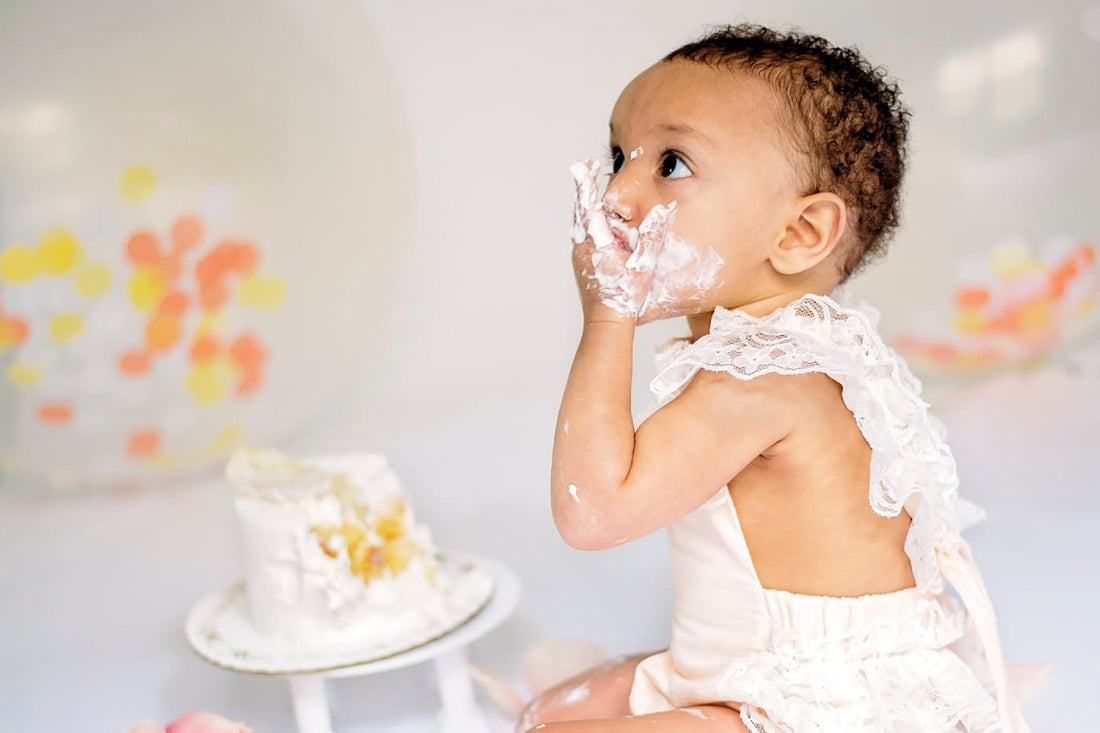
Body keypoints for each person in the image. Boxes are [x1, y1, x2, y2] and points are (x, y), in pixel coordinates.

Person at [527, 23, 1034, 732]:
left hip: (825, 703)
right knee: (552, 709)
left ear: (797, 236)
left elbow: (593, 513)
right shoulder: (796, 347)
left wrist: (607, 319)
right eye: (621, 155)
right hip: (766, 659)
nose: (616, 193)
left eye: (670, 164)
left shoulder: (758, 380)